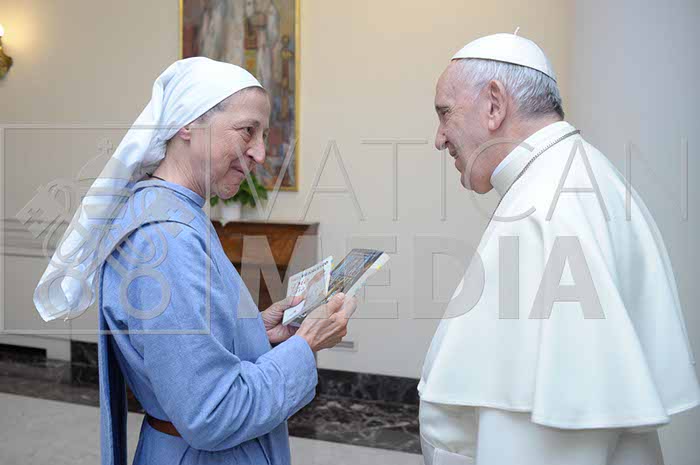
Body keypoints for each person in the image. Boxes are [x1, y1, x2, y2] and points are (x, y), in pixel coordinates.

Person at [31, 57, 356, 465]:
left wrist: (255, 330)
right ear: (189, 125)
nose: (260, 152)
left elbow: (179, 354)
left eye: (264, 135)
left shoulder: (170, 210)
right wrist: (306, 345)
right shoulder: (167, 239)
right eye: (248, 130)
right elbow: (212, 413)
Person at [418, 33, 700, 465]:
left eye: (445, 113)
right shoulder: (584, 174)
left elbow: (545, 437)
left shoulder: (544, 210)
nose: (439, 138)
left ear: (494, 104)